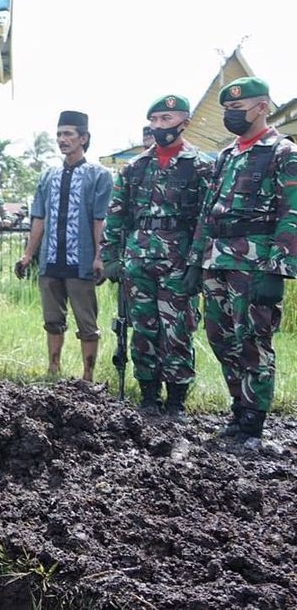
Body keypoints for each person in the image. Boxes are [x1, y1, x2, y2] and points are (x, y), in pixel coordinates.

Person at [185, 77, 297, 448]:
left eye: (237, 108)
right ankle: (238, 409)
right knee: (220, 338)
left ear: (262, 107)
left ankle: (253, 423)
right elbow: (208, 211)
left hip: (255, 263)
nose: (230, 115)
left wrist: (278, 270)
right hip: (217, 258)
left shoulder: (283, 152)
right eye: (227, 110)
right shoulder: (226, 155)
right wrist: (195, 262)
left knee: (253, 341)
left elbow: (291, 214)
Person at [100, 95, 211, 417]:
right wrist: (110, 258)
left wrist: (197, 264)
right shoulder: (135, 167)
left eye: (166, 119)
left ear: (184, 123)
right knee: (143, 329)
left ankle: (176, 401)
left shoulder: (201, 165)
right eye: (154, 120)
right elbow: (116, 214)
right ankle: (148, 396)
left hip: (179, 261)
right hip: (138, 260)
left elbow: (207, 220)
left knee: (177, 330)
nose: (159, 126)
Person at [16, 111, 112, 381]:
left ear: (83, 138)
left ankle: (88, 376)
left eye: (68, 134)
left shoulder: (99, 175)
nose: (62, 139)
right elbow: (39, 217)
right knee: (52, 319)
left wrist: (99, 256)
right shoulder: (48, 175)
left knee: (86, 321)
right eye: (59, 134)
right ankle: (53, 369)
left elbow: (100, 219)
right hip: (50, 261)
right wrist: (28, 255)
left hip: (80, 261)